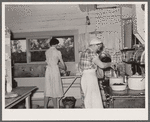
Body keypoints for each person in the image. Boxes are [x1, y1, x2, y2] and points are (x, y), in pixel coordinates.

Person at [79, 37, 111, 108]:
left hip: (86, 77)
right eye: (98, 46)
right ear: (94, 45)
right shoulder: (91, 52)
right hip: (89, 77)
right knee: (93, 98)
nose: (98, 49)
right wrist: (110, 64)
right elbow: (102, 65)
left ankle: (91, 116)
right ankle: (94, 116)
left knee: (89, 98)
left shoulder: (85, 51)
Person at [44, 37, 66, 108]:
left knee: (48, 88)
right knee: (55, 88)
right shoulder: (57, 52)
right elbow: (62, 63)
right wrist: (64, 68)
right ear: (56, 44)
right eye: (57, 44)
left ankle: (44, 107)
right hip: (54, 70)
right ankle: (55, 107)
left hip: (48, 71)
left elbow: (48, 61)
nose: (57, 46)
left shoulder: (47, 51)